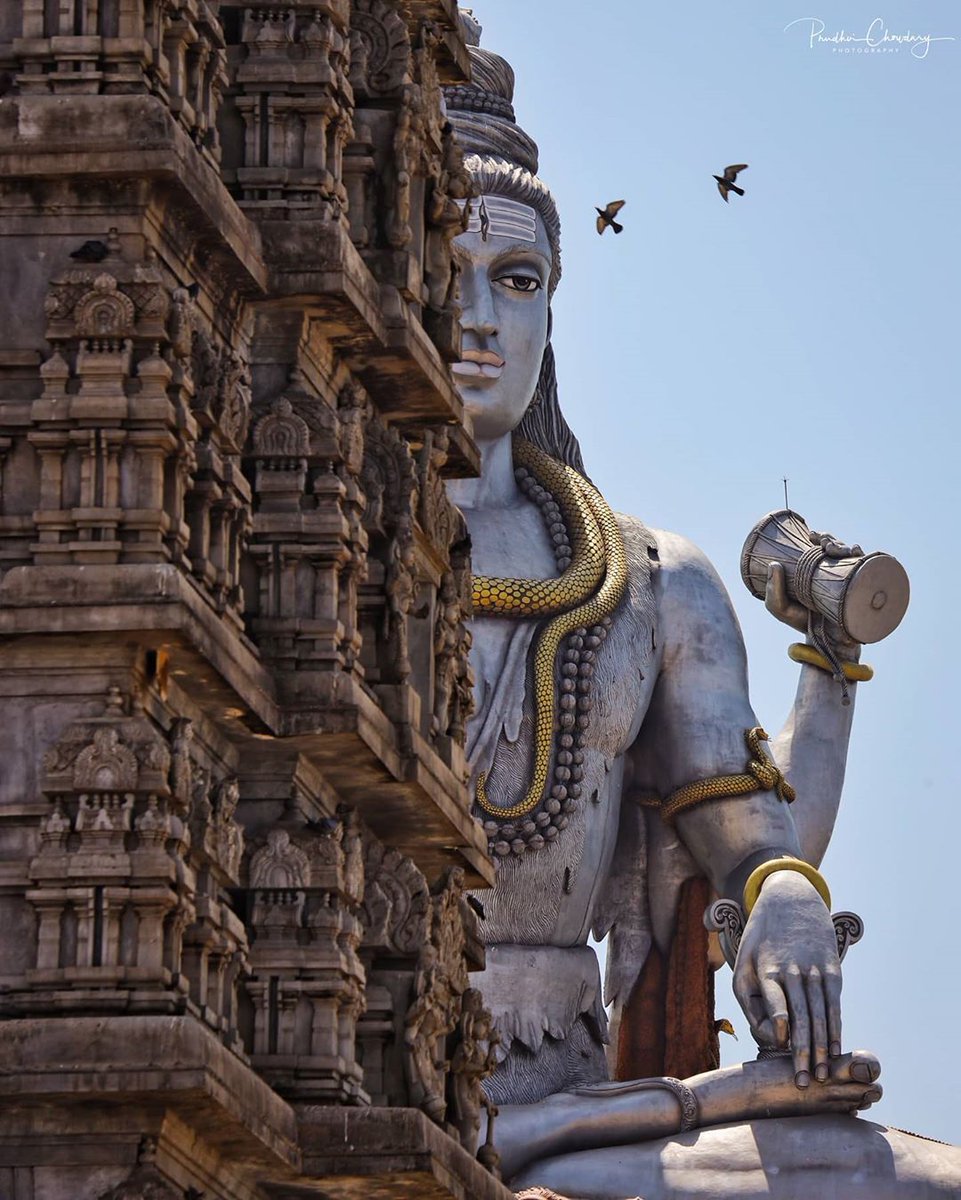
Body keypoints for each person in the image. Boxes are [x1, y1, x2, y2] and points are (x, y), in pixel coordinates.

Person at [441, 19, 961, 1199]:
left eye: (515, 282)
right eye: (440, 270)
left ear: (552, 310)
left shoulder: (645, 579)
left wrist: (779, 901)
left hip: (576, 1101)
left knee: (906, 1179)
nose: (479, 320)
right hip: (340, 1068)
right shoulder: (309, 552)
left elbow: (749, 846)